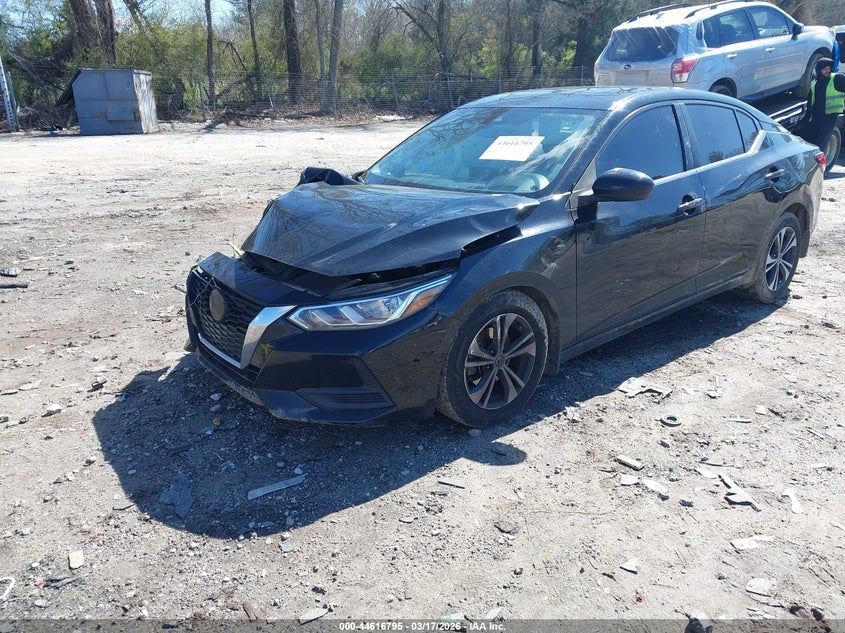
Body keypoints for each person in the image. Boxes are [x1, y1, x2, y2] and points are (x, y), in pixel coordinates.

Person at [803, 57, 845, 153]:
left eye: (829, 68)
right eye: (825, 69)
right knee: (811, 142)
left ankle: (818, 166)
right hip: (817, 117)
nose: (828, 71)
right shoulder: (814, 83)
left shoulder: (837, 78)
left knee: (820, 143)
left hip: (830, 117)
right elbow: (810, 103)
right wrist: (806, 118)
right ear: (819, 69)